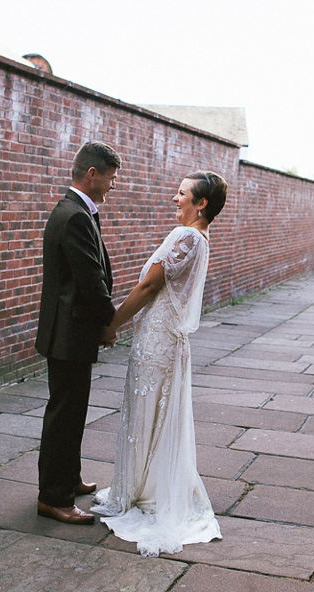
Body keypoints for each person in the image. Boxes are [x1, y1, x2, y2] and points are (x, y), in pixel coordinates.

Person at [91, 170, 228, 556]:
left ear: (200, 204)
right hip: (166, 338)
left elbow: (149, 286)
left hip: (158, 340)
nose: (175, 198)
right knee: (154, 415)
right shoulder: (200, 238)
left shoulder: (187, 236)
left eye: (182, 194)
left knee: (144, 413)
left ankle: (134, 492)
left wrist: (112, 323)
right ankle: (141, 485)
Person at [34, 141, 121, 525]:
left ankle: (68, 478)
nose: (112, 185)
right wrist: (111, 322)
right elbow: (91, 280)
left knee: (71, 412)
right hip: (69, 334)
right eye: (111, 177)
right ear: (92, 174)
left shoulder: (73, 210)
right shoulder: (75, 216)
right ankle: (54, 498)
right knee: (64, 416)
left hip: (67, 332)